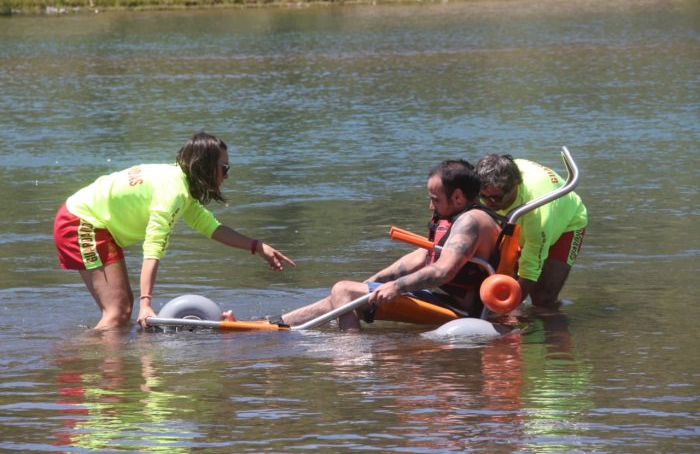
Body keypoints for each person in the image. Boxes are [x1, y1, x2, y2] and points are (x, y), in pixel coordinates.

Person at [53, 132, 295, 331]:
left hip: (94, 223)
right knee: (117, 313)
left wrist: (257, 246)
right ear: (206, 166)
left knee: (122, 311)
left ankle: (110, 373)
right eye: (225, 168)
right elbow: (153, 245)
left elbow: (212, 227)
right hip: (80, 221)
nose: (227, 176)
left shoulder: (181, 185)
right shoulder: (173, 192)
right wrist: (146, 303)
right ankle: (83, 365)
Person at [277, 160, 502, 331]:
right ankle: (276, 326)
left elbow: (444, 271)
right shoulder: (460, 215)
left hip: (457, 309)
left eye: (435, 199)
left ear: (458, 197)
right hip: (442, 297)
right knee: (344, 296)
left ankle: (352, 360)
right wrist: (374, 282)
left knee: (343, 290)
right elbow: (422, 256)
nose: (430, 206)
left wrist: (398, 287)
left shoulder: (470, 222)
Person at [476, 154, 587, 307]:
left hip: (567, 222)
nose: (489, 203)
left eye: (496, 198)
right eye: (483, 196)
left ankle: (549, 328)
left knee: (543, 298)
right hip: (520, 220)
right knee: (502, 280)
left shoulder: (537, 214)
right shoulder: (481, 188)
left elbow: (530, 270)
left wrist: (505, 307)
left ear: (515, 186)